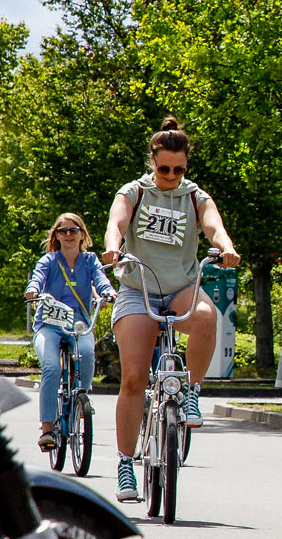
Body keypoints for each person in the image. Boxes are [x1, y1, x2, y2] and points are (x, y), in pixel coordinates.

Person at [102, 117, 241, 503]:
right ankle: (126, 465)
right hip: (138, 287)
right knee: (133, 379)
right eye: (164, 168)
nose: (170, 175)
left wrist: (226, 247)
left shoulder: (194, 196)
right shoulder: (135, 191)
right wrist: (113, 246)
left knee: (207, 317)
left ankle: (192, 389)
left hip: (180, 287)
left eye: (179, 169)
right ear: (152, 161)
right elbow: (117, 222)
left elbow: (214, 226)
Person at [24, 212, 115, 450]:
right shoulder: (49, 260)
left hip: (78, 323)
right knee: (52, 367)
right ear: (56, 235)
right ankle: (47, 429)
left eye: (73, 230)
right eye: (62, 231)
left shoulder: (90, 260)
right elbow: (37, 278)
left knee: (86, 353)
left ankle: (81, 397)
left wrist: (107, 291)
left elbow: (100, 279)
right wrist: (33, 290)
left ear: (82, 234)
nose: (68, 235)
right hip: (49, 324)